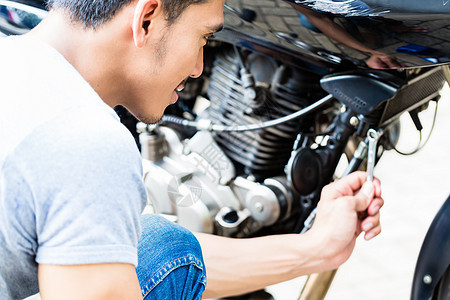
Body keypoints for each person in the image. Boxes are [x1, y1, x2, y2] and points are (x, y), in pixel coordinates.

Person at [0, 0, 384, 299]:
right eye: (203, 37)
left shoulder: (14, 62)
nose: (199, 66)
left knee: (163, 243)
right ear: (146, 18)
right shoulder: (87, 141)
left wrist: (319, 247)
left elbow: (168, 260)